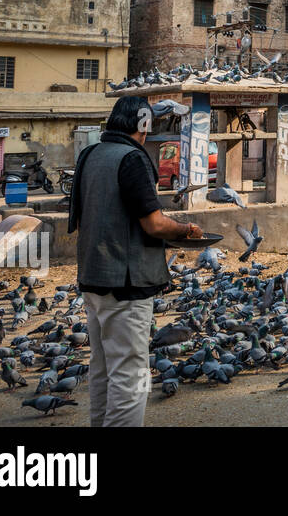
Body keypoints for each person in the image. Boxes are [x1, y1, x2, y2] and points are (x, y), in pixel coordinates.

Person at [68, 95, 203, 426]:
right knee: (133, 377)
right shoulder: (133, 158)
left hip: (93, 280)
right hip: (126, 286)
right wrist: (186, 229)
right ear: (144, 123)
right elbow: (154, 224)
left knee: (103, 371)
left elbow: (86, 218)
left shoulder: (89, 155)